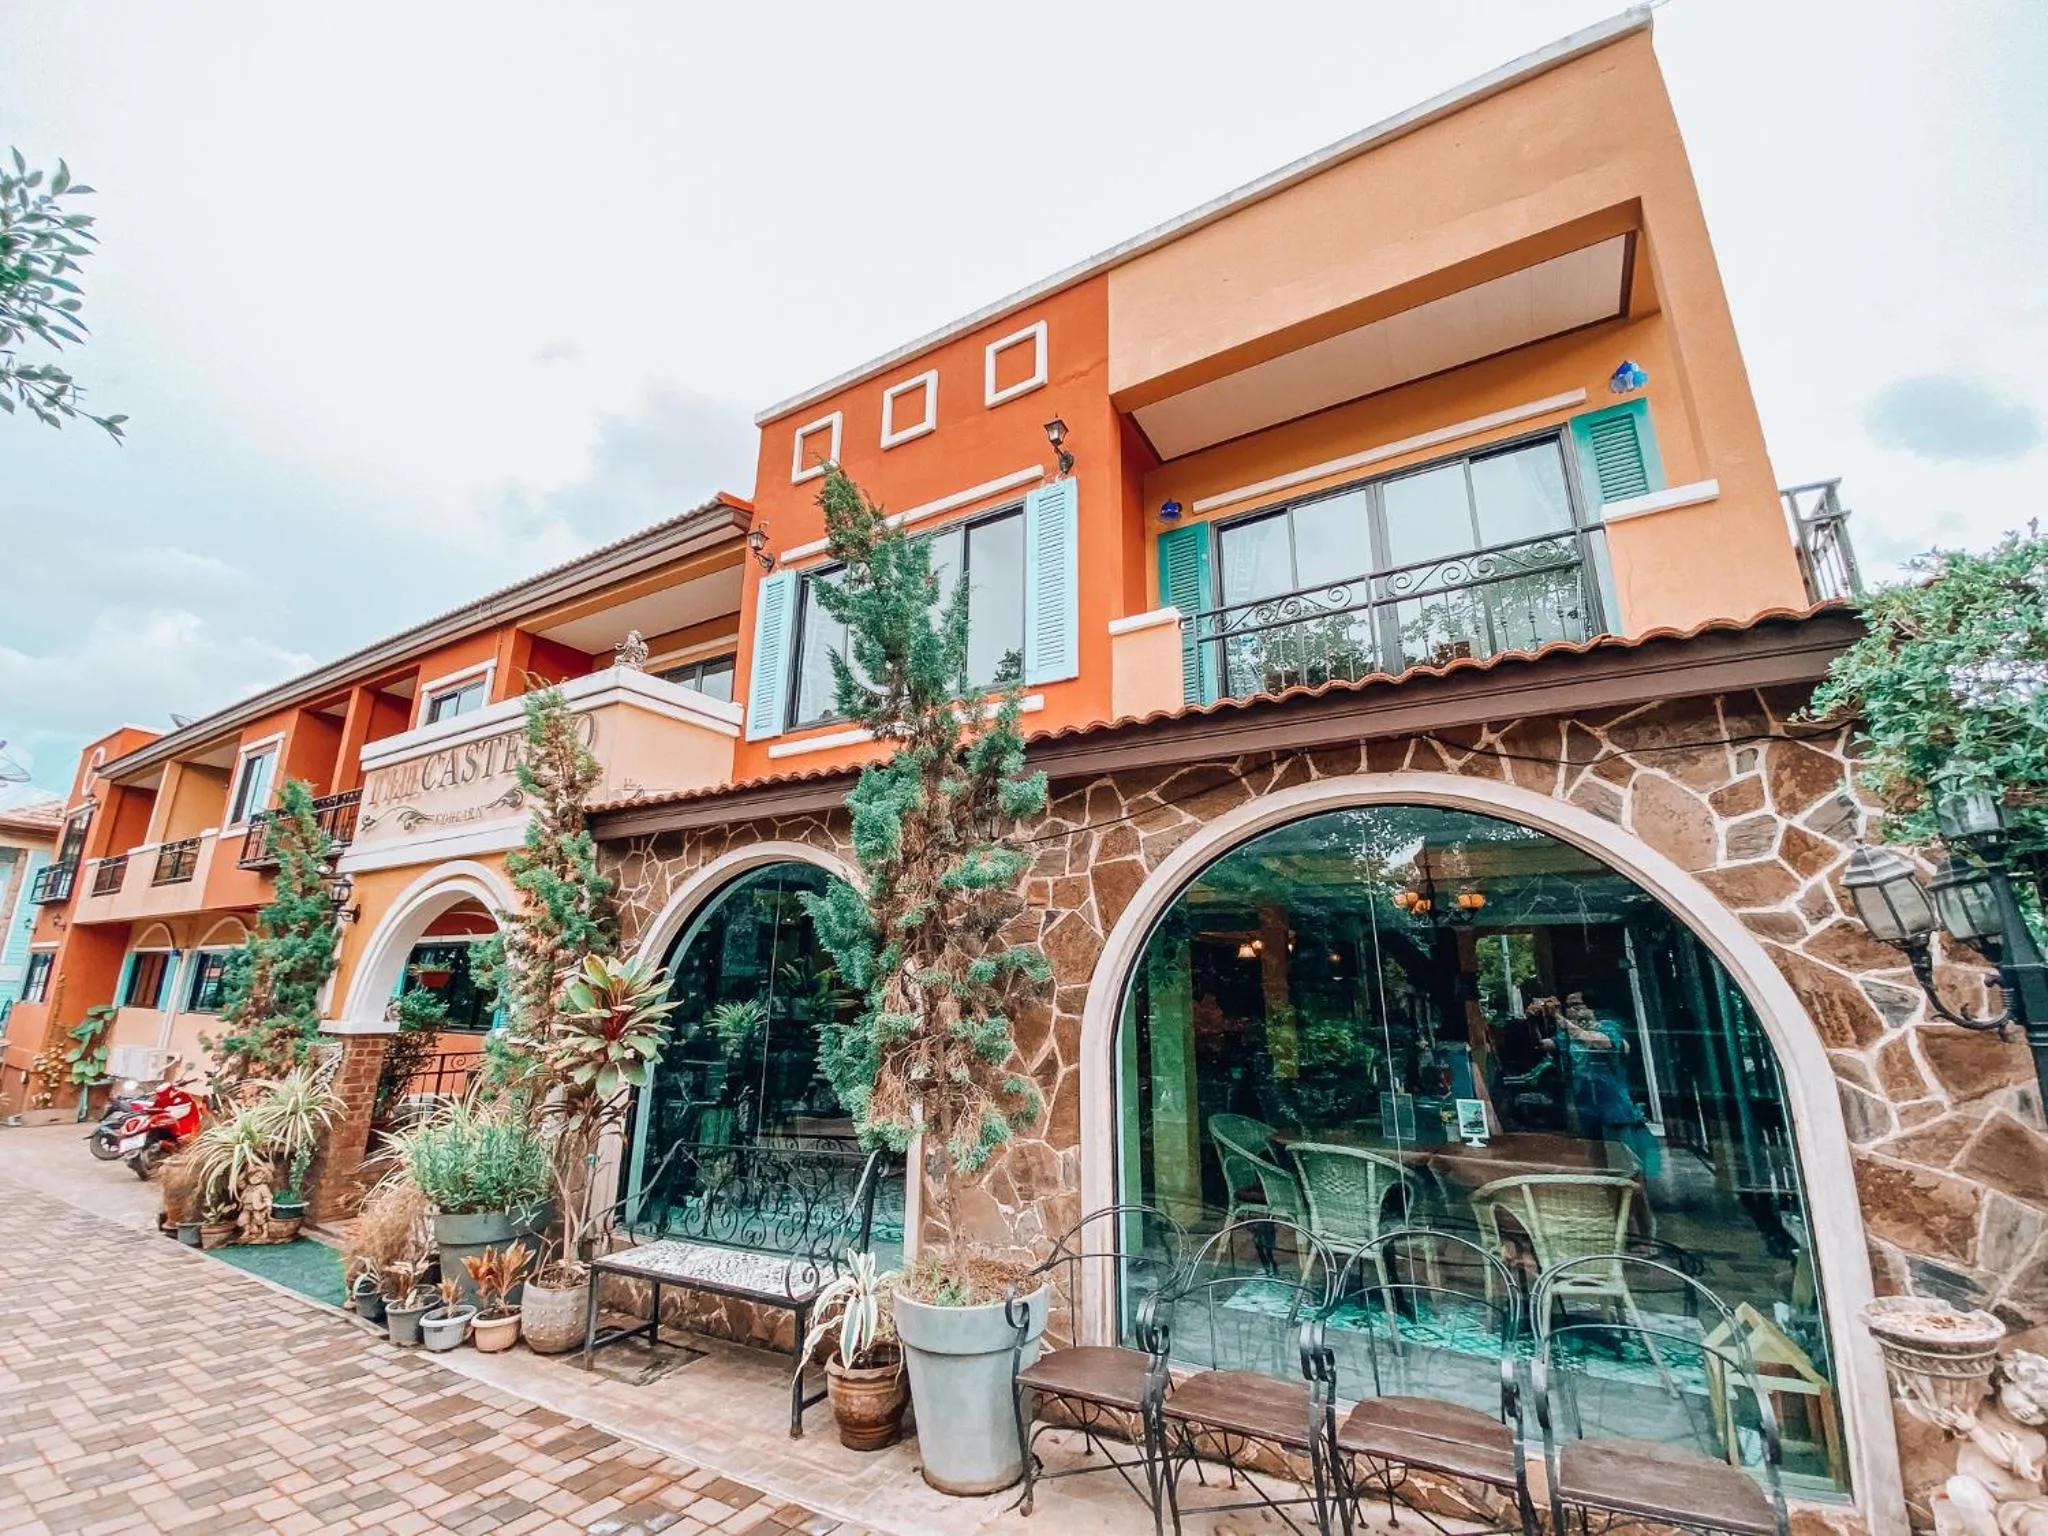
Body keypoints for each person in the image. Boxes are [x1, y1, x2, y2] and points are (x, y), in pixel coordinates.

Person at [1560, 992, 1661, 1175]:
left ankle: (1632, 1200)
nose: (1572, 1010)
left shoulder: (1608, 1025)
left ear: (1592, 1007)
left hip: (1614, 1108)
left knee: (1624, 1166)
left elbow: (1602, 1042)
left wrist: (1560, 1020)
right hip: (1587, 1108)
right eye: (1568, 1006)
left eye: (1577, 1005)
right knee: (1596, 1165)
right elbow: (1545, 1045)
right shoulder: (1568, 1033)